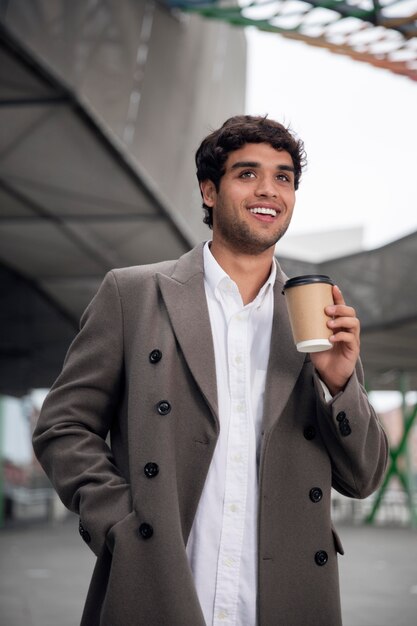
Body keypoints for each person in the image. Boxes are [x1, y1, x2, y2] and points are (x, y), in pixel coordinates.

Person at [33, 115, 388, 626]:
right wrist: (122, 528)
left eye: (283, 177)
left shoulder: (318, 318)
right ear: (208, 191)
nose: (269, 189)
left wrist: (339, 383)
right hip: (162, 585)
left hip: (285, 598)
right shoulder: (133, 294)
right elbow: (63, 425)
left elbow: (364, 478)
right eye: (247, 174)